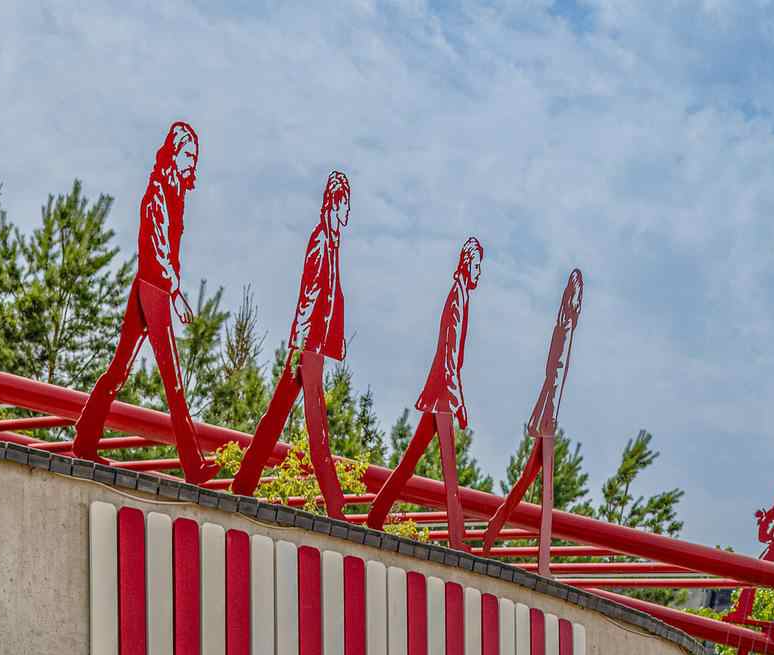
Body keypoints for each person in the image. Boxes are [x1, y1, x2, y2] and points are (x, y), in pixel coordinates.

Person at [71, 121, 215, 482]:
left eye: (195, 157)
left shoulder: (175, 193)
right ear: (173, 153)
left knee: (120, 369)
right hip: (153, 289)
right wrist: (176, 293)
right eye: (188, 155)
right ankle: (193, 465)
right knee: (173, 382)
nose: (192, 163)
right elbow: (158, 249)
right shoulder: (158, 193)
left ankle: (85, 438)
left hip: (152, 287)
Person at [232, 171, 352, 514]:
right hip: (307, 348)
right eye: (345, 204)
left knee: (276, 416)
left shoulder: (332, 242)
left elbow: (331, 297)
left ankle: (245, 480)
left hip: (313, 346)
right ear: (334, 202)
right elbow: (310, 295)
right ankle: (334, 501)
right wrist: (300, 343)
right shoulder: (321, 240)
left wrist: (331, 341)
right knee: (317, 426)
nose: (347, 212)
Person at [366, 237, 483, 546]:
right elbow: (448, 356)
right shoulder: (456, 299)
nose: (478, 272)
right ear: (465, 264)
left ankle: (377, 512)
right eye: (476, 266)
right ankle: (456, 538)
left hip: (441, 393)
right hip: (443, 394)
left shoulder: (461, 297)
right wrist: (458, 403)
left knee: (411, 462)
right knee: (449, 473)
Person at [480, 269, 583, 567]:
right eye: (576, 297)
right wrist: (545, 413)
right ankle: (540, 560)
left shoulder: (568, 327)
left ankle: (495, 529)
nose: (578, 304)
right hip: (548, 418)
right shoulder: (564, 328)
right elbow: (553, 373)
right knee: (543, 492)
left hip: (550, 417)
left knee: (526, 481)